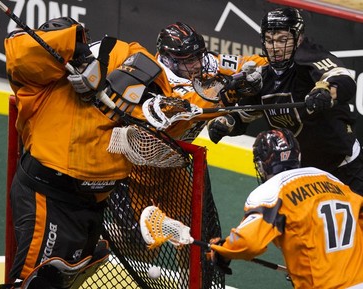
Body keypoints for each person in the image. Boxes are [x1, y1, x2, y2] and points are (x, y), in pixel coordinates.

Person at [3, 16, 171, 289]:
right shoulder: (35, 77)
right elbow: (24, 53)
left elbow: (147, 64)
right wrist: (76, 52)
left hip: (94, 200)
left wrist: (112, 83)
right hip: (49, 197)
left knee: (66, 280)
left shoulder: (114, 52)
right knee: (38, 283)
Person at [207, 7, 363, 196]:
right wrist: (225, 124)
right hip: (302, 179)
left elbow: (341, 77)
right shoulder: (263, 76)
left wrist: (326, 91)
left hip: (344, 168)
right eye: (270, 41)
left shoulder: (308, 56)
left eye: (283, 40)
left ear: (298, 38)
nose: (276, 48)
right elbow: (243, 116)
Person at [209, 128, 363, 289]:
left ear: (262, 166)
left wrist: (224, 250)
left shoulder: (272, 191)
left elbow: (248, 243)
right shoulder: (332, 181)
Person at [154, 21, 267, 142]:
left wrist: (276, 60)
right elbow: (193, 109)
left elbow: (249, 63)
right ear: (167, 60)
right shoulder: (157, 82)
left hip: (179, 150)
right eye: (189, 60)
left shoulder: (207, 62)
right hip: (150, 149)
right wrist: (230, 93)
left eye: (198, 55)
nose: (198, 65)